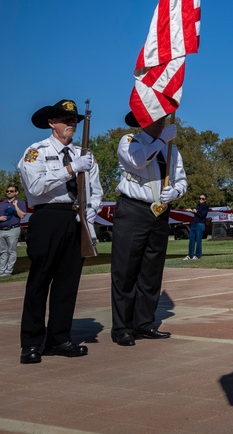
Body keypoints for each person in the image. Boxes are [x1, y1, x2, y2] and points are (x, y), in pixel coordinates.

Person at [18, 99, 103, 364]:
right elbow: (35, 186)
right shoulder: (36, 151)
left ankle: (59, 338)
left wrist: (91, 211)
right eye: (65, 120)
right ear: (51, 123)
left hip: (75, 218)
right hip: (48, 217)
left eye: (74, 120)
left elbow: (96, 189)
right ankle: (31, 342)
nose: (71, 124)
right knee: (39, 281)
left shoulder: (85, 155)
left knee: (68, 283)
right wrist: (70, 169)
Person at [111, 111, 187, 347]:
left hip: (159, 212)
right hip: (133, 210)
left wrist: (175, 192)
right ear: (144, 121)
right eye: (156, 117)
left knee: (151, 272)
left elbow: (182, 180)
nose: (163, 120)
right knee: (126, 271)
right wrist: (162, 140)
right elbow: (138, 160)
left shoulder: (172, 150)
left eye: (164, 117)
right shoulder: (130, 142)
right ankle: (122, 327)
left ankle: (144, 323)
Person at [0, 183, 27, 277]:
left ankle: (8, 270)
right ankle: (1, 270)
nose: (9, 193)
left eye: (11, 191)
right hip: (1, 229)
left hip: (13, 229)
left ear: (16, 192)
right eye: (7, 191)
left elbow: (22, 215)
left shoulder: (20, 202)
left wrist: (15, 205)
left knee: (12, 251)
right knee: (3, 251)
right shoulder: (2, 204)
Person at [185, 194, 210, 260]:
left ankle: (198, 255)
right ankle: (190, 255)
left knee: (198, 240)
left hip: (200, 224)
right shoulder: (198, 205)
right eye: (200, 198)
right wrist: (191, 211)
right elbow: (196, 213)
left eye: (203, 199)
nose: (201, 200)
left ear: (205, 200)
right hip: (194, 223)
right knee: (191, 240)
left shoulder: (206, 207)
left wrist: (196, 212)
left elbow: (202, 215)